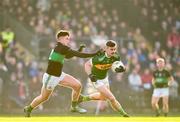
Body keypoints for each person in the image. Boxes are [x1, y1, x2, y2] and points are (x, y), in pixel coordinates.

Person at [24, 30, 100, 117]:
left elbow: (68, 56)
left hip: (59, 75)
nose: (68, 40)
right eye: (67, 38)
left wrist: (79, 50)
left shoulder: (61, 48)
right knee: (44, 97)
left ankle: (74, 106)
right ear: (60, 39)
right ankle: (29, 108)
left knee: (77, 85)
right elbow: (78, 55)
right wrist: (95, 54)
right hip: (51, 77)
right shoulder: (61, 48)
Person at [79, 40, 129, 117]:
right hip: (96, 79)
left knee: (104, 98)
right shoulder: (99, 57)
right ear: (106, 49)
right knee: (111, 98)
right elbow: (86, 65)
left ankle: (84, 98)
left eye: (114, 49)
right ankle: (124, 114)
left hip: (105, 78)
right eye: (111, 49)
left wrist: (123, 69)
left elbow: (120, 66)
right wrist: (91, 75)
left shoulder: (116, 56)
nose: (113, 51)